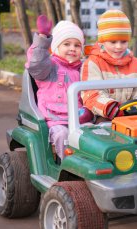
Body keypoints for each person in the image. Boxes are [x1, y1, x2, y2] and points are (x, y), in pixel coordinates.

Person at [25, 15, 93, 160]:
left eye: (77, 45)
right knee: (62, 135)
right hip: (54, 119)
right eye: (66, 44)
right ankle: (66, 166)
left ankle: (86, 163)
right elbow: (36, 64)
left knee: (92, 133)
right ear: (56, 46)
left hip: (78, 117)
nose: (72, 49)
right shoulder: (49, 66)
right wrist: (43, 40)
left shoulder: (83, 68)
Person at [81, 9, 137, 121]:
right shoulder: (93, 63)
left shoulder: (135, 63)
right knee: (106, 128)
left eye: (123, 42)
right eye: (113, 42)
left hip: (132, 112)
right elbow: (92, 94)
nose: (119, 46)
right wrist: (109, 108)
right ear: (102, 41)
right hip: (104, 114)